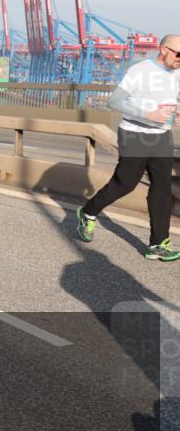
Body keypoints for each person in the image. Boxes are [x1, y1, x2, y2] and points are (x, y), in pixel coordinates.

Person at [77, 35, 180, 261]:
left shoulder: (178, 73)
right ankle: (88, 212)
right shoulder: (140, 70)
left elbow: (173, 99)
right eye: (178, 54)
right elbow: (114, 101)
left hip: (161, 136)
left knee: (162, 189)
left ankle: (158, 243)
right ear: (163, 50)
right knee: (125, 184)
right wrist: (147, 114)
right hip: (134, 134)